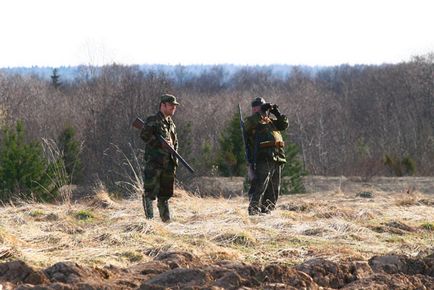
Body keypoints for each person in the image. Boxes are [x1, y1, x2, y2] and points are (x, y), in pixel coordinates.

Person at [244, 97, 288, 215]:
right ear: (254, 109)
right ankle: (254, 210)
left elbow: (284, 125)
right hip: (263, 157)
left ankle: (267, 211)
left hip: (277, 157)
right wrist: (260, 113)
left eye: (263, 106)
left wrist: (276, 113)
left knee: (274, 188)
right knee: (260, 185)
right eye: (260, 106)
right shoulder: (251, 121)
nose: (263, 108)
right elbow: (247, 126)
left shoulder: (270, 121)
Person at [140, 93, 179, 222]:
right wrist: (160, 144)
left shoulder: (171, 123)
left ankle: (166, 220)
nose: (173, 108)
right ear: (163, 105)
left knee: (165, 194)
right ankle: (149, 221)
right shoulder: (153, 120)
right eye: (171, 105)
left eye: (174, 106)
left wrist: (173, 155)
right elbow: (145, 136)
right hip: (155, 162)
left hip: (168, 164)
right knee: (149, 193)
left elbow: (175, 142)